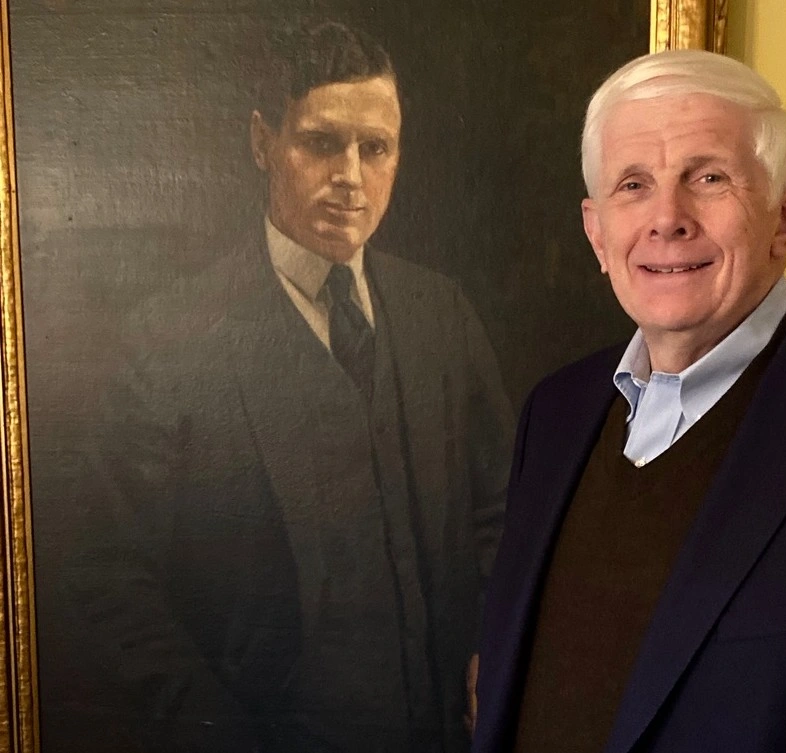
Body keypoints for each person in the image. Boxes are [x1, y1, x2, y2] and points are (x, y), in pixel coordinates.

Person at [49, 20, 513, 753]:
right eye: (321, 142)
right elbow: (107, 581)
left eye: (375, 148)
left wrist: (496, 644)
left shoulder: (440, 315)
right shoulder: (168, 342)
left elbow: (500, 512)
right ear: (263, 142)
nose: (350, 176)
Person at [473, 50, 786, 753]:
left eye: (708, 177)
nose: (667, 218)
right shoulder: (554, 412)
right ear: (597, 232)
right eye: (633, 184)